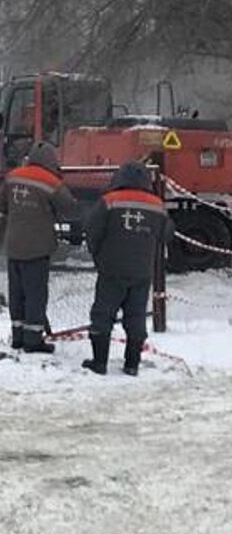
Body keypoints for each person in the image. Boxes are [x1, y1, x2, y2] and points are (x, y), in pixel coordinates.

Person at [82, 161, 173, 376]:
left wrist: (98, 257)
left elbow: (92, 230)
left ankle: (100, 362)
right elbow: (167, 234)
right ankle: (132, 364)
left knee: (102, 316)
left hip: (111, 270)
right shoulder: (156, 205)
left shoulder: (109, 201)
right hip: (141, 271)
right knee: (136, 317)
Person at [0, 141, 81, 354]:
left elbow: (1, 205)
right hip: (37, 248)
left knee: (16, 293)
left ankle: (17, 336)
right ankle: (33, 340)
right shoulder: (51, 182)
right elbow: (71, 209)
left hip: (13, 245)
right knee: (35, 294)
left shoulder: (13, 176)